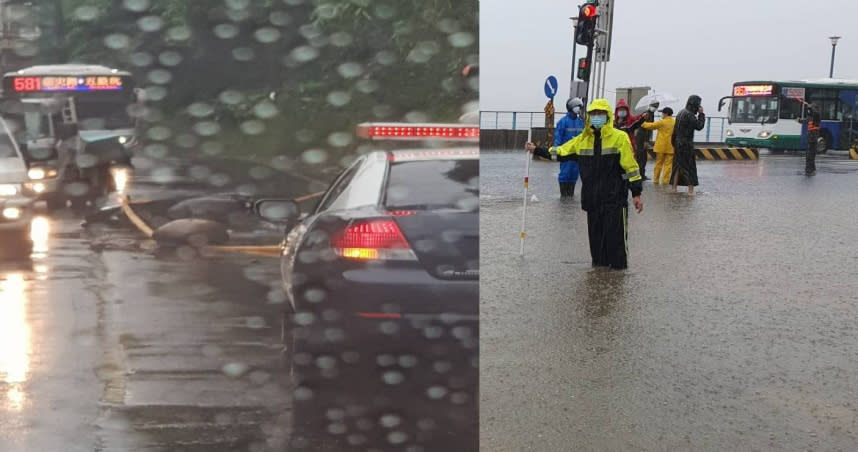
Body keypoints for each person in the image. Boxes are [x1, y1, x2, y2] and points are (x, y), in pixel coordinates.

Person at [526, 98, 643, 269]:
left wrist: (637, 194)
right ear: (588, 117)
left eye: (600, 114)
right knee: (597, 254)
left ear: (607, 116)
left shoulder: (620, 138)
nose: (596, 117)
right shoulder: (582, 140)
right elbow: (560, 152)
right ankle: (598, 284)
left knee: (617, 249)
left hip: (615, 202)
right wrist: (536, 150)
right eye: (593, 114)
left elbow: (631, 168)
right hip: (592, 202)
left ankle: (617, 286)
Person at [670, 95, 705, 196]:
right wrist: (701, 114)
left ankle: (674, 188)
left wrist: (674, 143)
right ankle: (691, 191)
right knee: (688, 167)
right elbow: (699, 126)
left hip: (677, 143)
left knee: (677, 166)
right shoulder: (690, 115)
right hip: (686, 144)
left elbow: (674, 131)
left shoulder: (680, 112)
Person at [551, 97, 586, 197]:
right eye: (577, 107)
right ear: (571, 107)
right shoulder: (563, 122)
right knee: (565, 174)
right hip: (565, 153)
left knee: (574, 175)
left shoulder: (580, 122)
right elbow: (558, 137)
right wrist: (556, 151)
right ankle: (563, 197)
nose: (579, 109)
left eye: (580, 107)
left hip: (577, 154)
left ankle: (570, 196)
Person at [614, 99, 649, 180]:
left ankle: (626, 182)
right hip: (616, 150)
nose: (622, 111)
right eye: (620, 109)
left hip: (628, 150)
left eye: (623, 109)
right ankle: (618, 181)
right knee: (616, 169)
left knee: (628, 169)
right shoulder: (613, 123)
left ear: (627, 110)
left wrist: (643, 117)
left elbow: (638, 120)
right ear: (617, 111)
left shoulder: (630, 122)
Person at [641, 107, 675, 185]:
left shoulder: (662, 122)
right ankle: (665, 181)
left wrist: (642, 122)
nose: (662, 114)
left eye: (663, 113)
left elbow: (651, 126)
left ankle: (656, 180)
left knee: (658, 164)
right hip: (671, 147)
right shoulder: (674, 122)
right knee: (668, 166)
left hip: (661, 147)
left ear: (666, 114)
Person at [801, 102, 821, 176]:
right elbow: (805, 120)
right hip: (810, 139)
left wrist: (810, 107)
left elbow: (815, 113)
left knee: (810, 156)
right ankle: (810, 170)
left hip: (813, 139)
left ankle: (810, 170)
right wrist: (799, 120)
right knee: (808, 156)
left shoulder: (817, 117)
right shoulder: (810, 118)